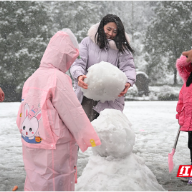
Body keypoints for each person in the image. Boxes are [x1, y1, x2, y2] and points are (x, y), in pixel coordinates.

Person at [16, 29, 101, 192]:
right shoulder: (58, 78)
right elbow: (72, 111)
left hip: (32, 138)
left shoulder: (33, 77)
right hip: (55, 143)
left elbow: (23, 110)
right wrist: (89, 138)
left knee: (35, 177)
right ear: (65, 56)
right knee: (55, 180)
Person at [70, 14, 136, 121]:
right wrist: (79, 76)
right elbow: (78, 63)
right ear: (102, 27)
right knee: (85, 130)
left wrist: (128, 82)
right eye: (108, 29)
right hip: (87, 96)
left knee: (107, 131)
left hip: (112, 99)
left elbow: (128, 67)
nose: (111, 33)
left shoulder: (122, 48)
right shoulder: (87, 42)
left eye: (115, 31)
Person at [176, 54, 192, 182]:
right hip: (190, 122)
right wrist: (180, 116)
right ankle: (190, 174)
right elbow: (181, 102)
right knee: (191, 146)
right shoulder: (188, 82)